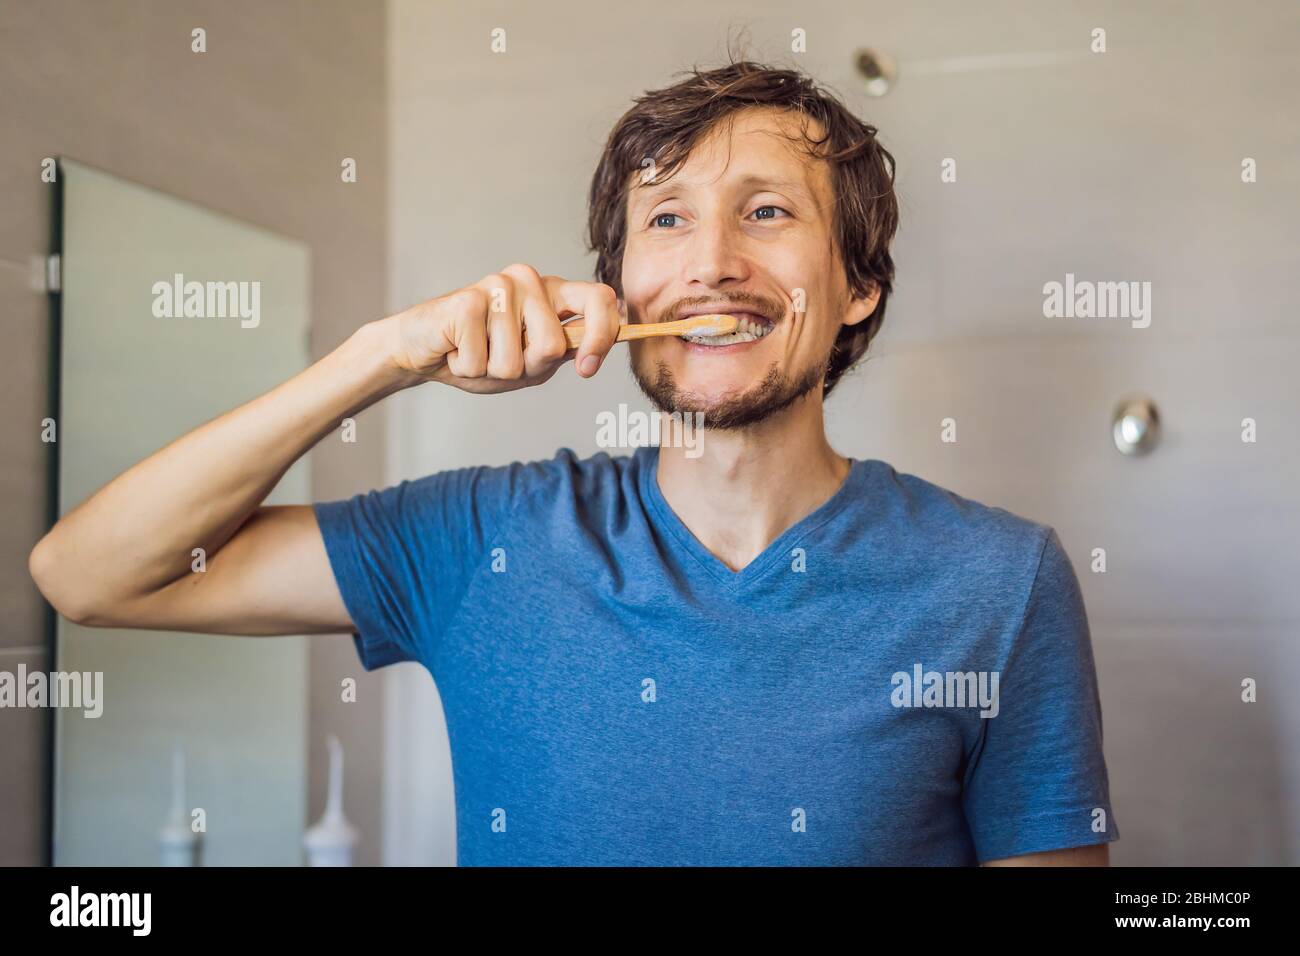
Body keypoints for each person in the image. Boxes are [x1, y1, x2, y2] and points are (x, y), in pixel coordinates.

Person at [29, 60, 1118, 866]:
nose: (711, 264)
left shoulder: (1000, 581)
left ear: (858, 286)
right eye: (667, 219)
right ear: (618, 289)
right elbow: (88, 574)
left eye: (768, 213)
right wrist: (382, 355)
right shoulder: (478, 541)